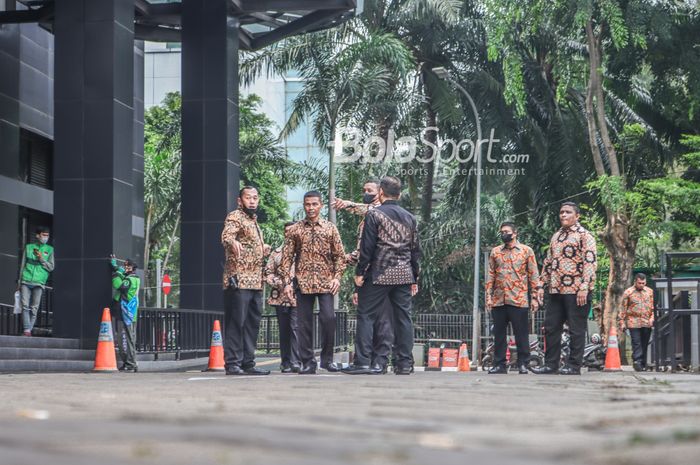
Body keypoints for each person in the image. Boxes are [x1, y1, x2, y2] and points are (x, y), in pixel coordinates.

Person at [343, 176, 420, 375]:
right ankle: (404, 363)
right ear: (400, 194)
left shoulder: (374, 215)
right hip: (404, 274)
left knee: (366, 315)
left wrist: (360, 272)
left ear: (381, 193)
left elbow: (367, 248)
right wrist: (415, 276)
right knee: (403, 318)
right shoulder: (410, 218)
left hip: (379, 273)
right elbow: (415, 250)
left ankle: (363, 361)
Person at [280, 191, 346, 374]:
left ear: (321, 205)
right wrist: (287, 283)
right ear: (304, 206)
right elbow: (286, 258)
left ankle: (327, 360)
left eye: (314, 204)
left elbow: (339, 257)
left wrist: (337, 277)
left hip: (326, 282)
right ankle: (308, 362)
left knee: (328, 319)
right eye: (307, 204)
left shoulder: (330, 228)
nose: (311, 208)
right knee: (304, 324)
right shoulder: (295, 230)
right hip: (303, 282)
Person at [333, 179, 394, 374]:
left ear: (381, 192)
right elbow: (361, 249)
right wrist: (346, 260)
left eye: (370, 190)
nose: (365, 192)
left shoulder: (379, 212)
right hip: (369, 270)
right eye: (364, 189)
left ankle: (372, 361)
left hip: (378, 271)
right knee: (373, 319)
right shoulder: (368, 217)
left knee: (378, 319)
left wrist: (347, 204)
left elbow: (366, 210)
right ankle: (374, 361)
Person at [532, 202, 597, 375]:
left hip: (577, 291)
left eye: (568, 212)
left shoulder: (585, 236)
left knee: (576, 329)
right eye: (561, 212)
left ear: (577, 216)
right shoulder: (556, 236)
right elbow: (548, 263)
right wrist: (540, 285)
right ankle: (550, 364)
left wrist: (584, 287)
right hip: (556, 291)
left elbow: (590, 262)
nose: (563, 215)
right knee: (551, 327)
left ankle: (574, 366)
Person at [221, 186, 271, 376]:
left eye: (255, 198)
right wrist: (232, 242)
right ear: (239, 201)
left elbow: (250, 245)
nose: (252, 201)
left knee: (252, 324)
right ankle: (233, 363)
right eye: (248, 198)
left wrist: (262, 247)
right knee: (236, 322)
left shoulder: (253, 221)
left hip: (256, 282)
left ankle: (248, 363)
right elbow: (227, 236)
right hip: (239, 280)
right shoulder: (235, 216)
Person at [485, 222, 541, 374]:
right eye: (502, 231)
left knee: (521, 334)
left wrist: (536, 296)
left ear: (515, 233)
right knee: (499, 335)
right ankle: (499, 364)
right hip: (499, 299)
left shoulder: (526, 251)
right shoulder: (495, 252)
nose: (503, 234)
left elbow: (533, 274)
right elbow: (490, 275)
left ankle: (523, 364)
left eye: (506, 231)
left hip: (519, 299)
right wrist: (488, 297)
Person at [264, 221, 301, 373]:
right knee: (284, 329)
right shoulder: (276, 252)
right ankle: (285, 362)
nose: (288, 234)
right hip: (279, 297)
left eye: (291, 231)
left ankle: (296, 361)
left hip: (298, 296)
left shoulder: (303, 251)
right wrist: (281, 282)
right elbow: (268, 272)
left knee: (295, 328)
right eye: (286, 231)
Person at [18, 226, 54, 336]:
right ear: (38, 235)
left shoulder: (50, 249)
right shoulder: (29, 247)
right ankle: (27, 330)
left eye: (47, 235)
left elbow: (51, 267)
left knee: (34, 308)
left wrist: (41, 259)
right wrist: (20, 281)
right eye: (43, 235)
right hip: (26, 280)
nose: (45, 237)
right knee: (24, 306)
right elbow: (22, 265)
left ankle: (29, 328)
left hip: (39, 282)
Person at [110, 257, 140, 372]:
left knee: (125, 338)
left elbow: (119, 285)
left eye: (128, 266)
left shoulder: (129, 280)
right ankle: (130, 363)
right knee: (129, 338)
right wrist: (116, 267)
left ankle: (130, 363)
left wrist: (116, 273)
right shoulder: (134, 278)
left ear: (132, 268)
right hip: (130, 313)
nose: (126, 267)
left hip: (125, 313)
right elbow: (123, 277)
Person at [619, 273, 654, 372]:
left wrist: (652, 318)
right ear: (635, 282)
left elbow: (653, 307)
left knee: (644, 343)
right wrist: (622, 322)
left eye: (643, 283)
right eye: (639, 283)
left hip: (646, 322)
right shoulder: (628, 292)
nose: (641, 285)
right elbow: (623, 309)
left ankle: (643, 363)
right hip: (633, 322)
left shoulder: (650, 292)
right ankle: (637, 362)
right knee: (636, 342)